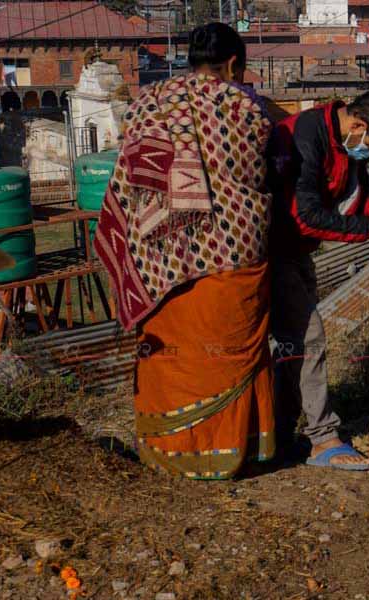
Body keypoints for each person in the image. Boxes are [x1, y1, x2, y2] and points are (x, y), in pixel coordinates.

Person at [94, 23, 276, 479]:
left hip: (158, 258)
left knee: (174, 355)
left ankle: (166, 454)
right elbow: (252, 174)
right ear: (234, 64)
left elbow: (132, 180)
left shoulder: (146, 104)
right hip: (230, 252)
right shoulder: (242, 107)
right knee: (221, 351)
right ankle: (234, 450)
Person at [267, 91, 369, 470]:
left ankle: (279, 435)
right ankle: (322, 438)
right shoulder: (306, 137)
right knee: (307, 338)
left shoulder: (344, 145)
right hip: (273, 249)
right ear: (358, 126)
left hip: (296, 252)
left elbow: (359, 200)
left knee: (293, 346)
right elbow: (305, 216)